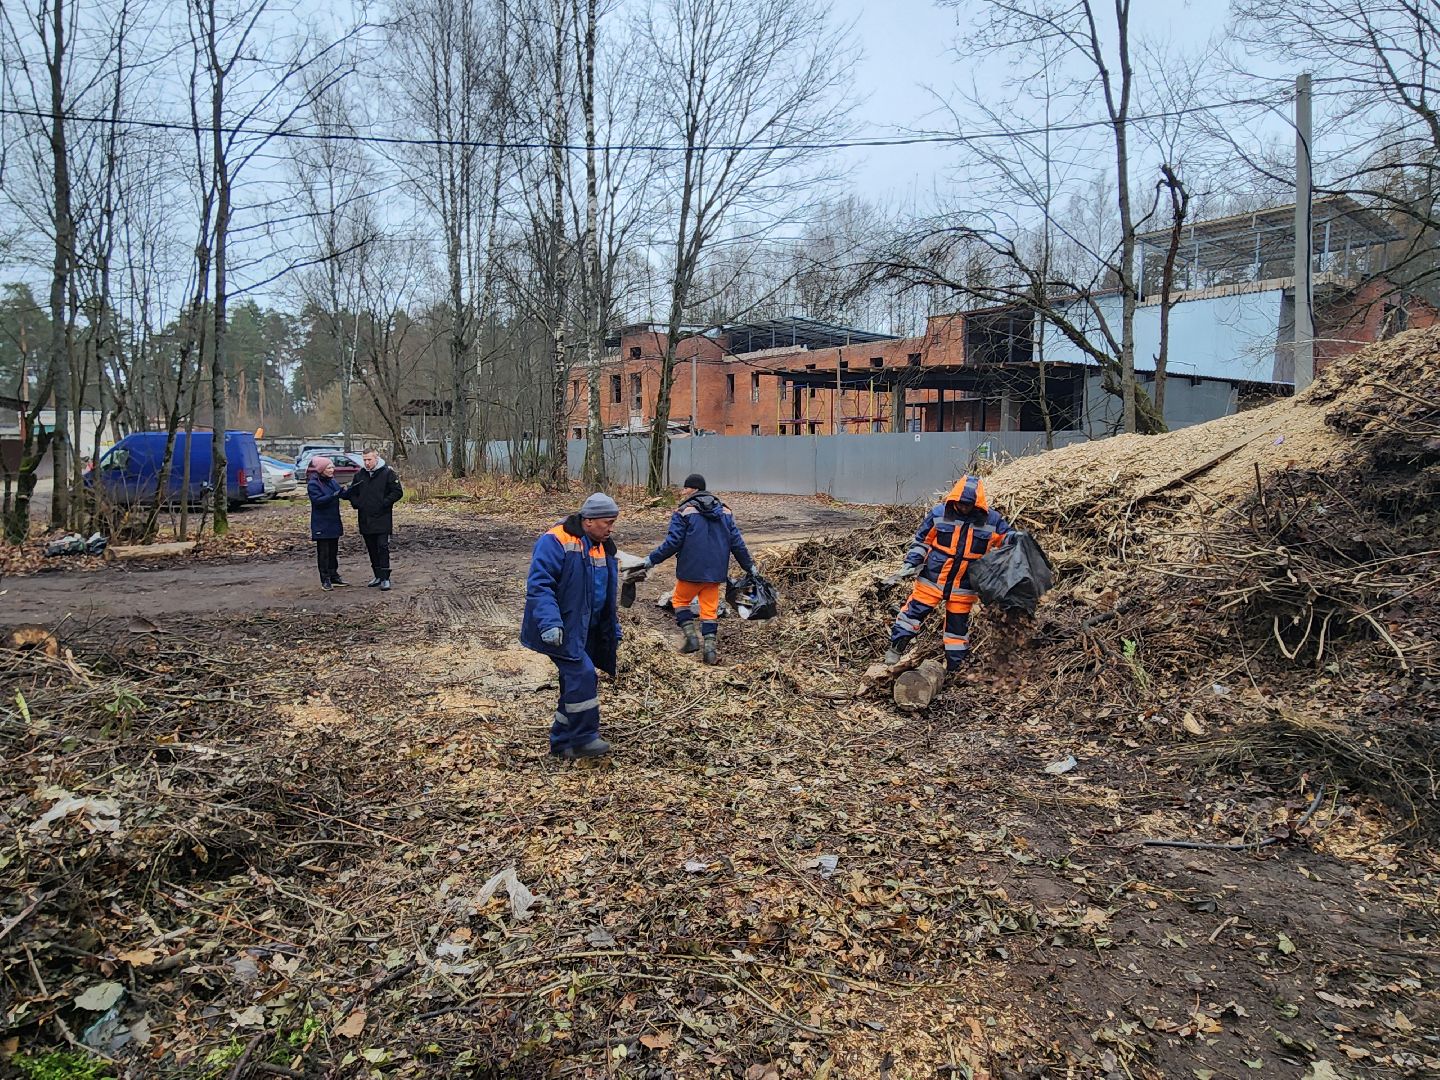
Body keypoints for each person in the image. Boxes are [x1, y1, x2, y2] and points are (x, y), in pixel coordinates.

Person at [521, 493, 624, 759]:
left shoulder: (603, 545)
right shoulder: (555, 540)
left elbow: (603, 591)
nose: (611, 529)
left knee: (573, 684)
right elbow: (540, 585)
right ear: (588, 521)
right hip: (560, 628)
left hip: (585, 627)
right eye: (608, 522)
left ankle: (561, 742)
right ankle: (584, 738)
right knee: (583, 675)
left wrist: (611, 627)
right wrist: (550, 623)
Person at [883, 474, 1011, 671]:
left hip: (964, 587)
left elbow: (1007, 539)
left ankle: (955, 668)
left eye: (968, 504)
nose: (963, 507)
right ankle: (895, 649)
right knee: (911, 615)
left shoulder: (991, 521)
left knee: (957, 631)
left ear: (977, 504)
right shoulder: (939, 514)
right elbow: (922, 541)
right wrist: (912, 562)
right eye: (960, 503)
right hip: (932, 579)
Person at [639, 473, 755, 666]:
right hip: (715, 573)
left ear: (692, 489)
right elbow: (737, 543)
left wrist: (652, 559)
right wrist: (749, 566)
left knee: (680, 600)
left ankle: (691, 638)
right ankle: (709, 650)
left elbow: (673, 542)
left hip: (690, 570)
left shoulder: (684, 511)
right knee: (709, 610)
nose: (683, 492)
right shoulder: (725, 511)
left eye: (685, 488)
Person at [341, 447, 404, 590]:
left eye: (369, 459)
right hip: (365, 518)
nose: (367, 462)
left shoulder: (387, 473)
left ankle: (385, 578)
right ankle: (377, 575)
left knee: (382, 546)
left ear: (376, 458)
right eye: (364, 460)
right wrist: (357, 503)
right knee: (371, 548)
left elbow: (397, 492)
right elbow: (353, 492)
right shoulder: (360, 475)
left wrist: (384, 503)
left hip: (382, 517)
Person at [306, 456, 349, 591]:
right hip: (321, 524)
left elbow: (340, 494)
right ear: (321, 470)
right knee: (323, 552)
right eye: (329, 467)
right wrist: (334, 495)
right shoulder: (314, 484)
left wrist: (349, 491)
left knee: (333, 551)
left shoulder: (332, 481)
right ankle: (325, 579)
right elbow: (318, 501)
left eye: (332, 467)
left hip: (333, 521)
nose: (332, 470)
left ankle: (333, 575)